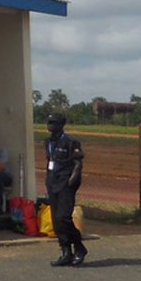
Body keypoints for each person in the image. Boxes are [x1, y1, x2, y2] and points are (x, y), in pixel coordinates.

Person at [44, 113, 87, 266]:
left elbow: (78, 164)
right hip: (52, 183)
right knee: (56, 221)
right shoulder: (48, 142)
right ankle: (66, 251)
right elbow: (50, 162)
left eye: (53, 122)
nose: (49, 125)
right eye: (48, 122)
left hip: (66, 184)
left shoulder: (70, 142)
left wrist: (71, 181)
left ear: (61, 125)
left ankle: (80, 247)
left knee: (64, 217)